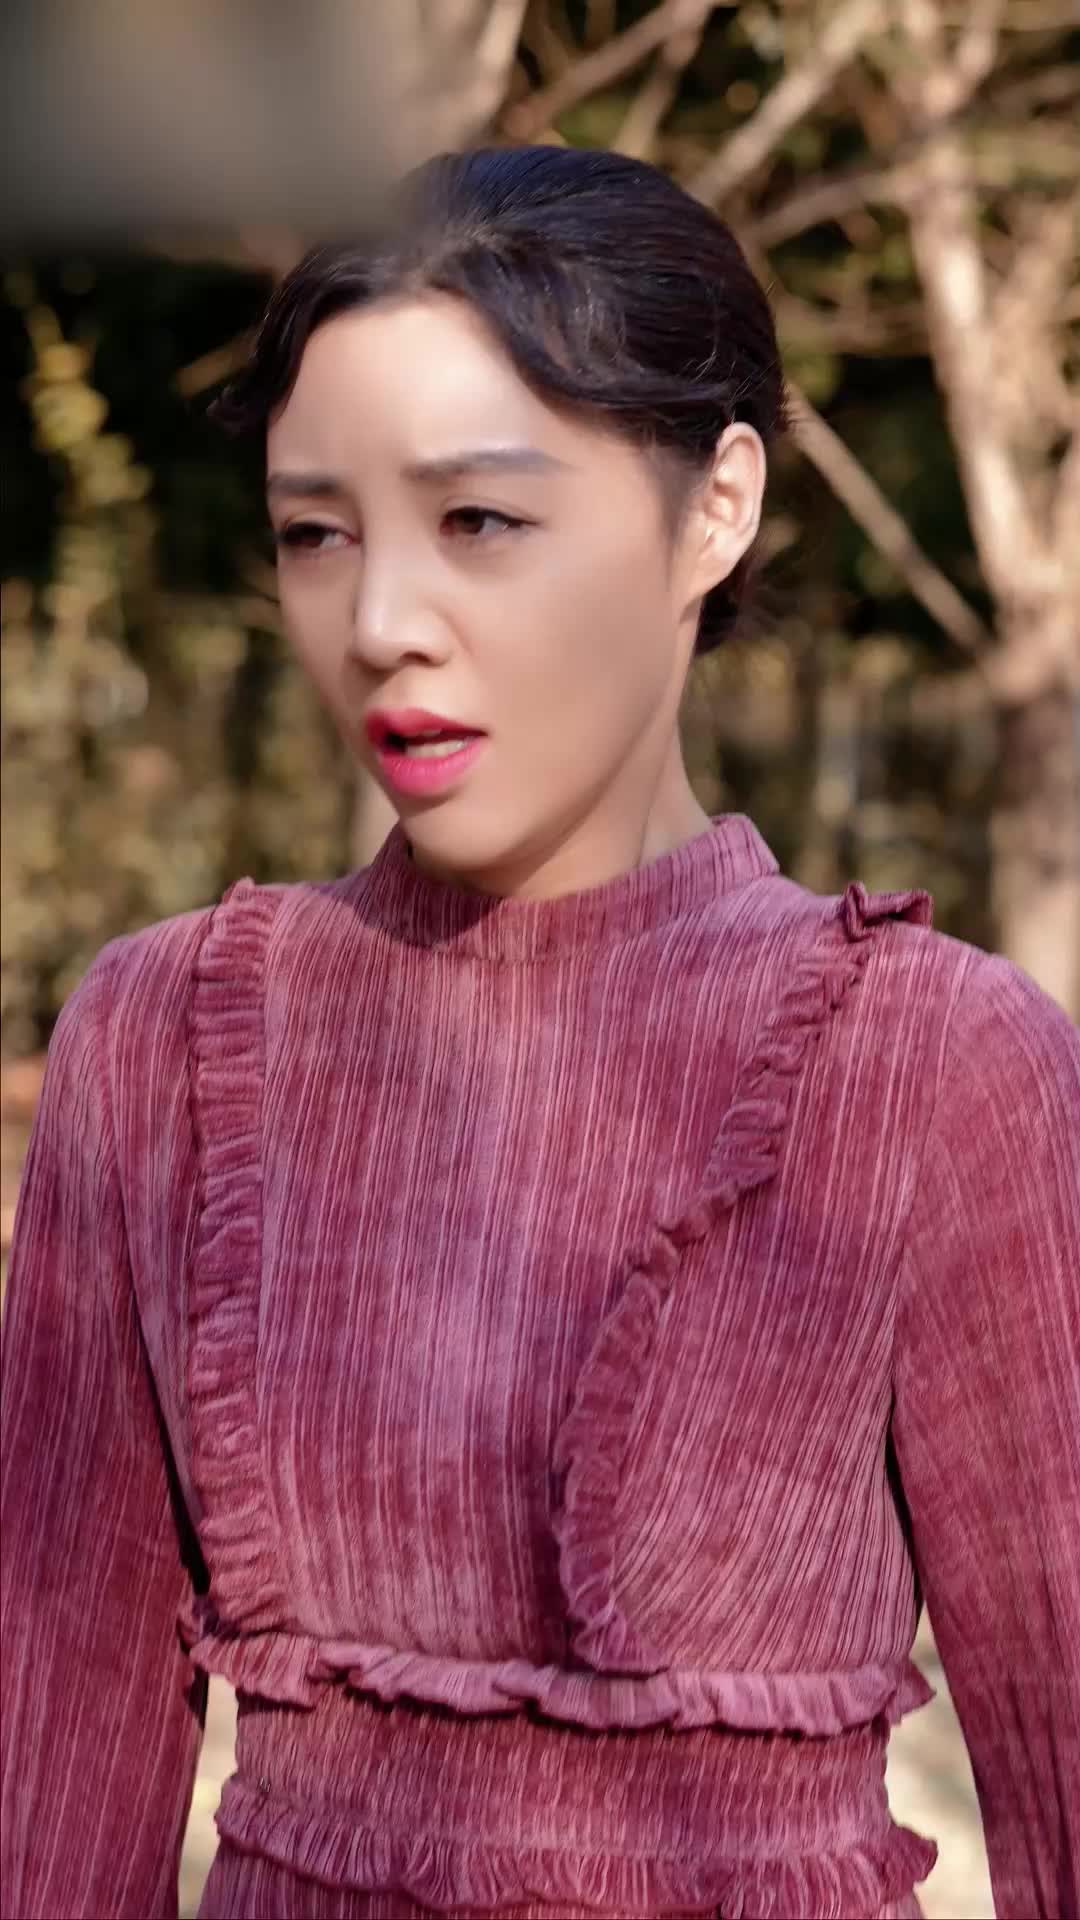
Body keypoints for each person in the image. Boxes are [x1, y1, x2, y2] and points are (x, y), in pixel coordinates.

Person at [1, 145, 1077, 1920]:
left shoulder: (933, 1065)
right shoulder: (164, 1040)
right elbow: (50, 1800)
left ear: (715, 509)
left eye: (480, 523)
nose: (382, 626)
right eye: (316, 533)